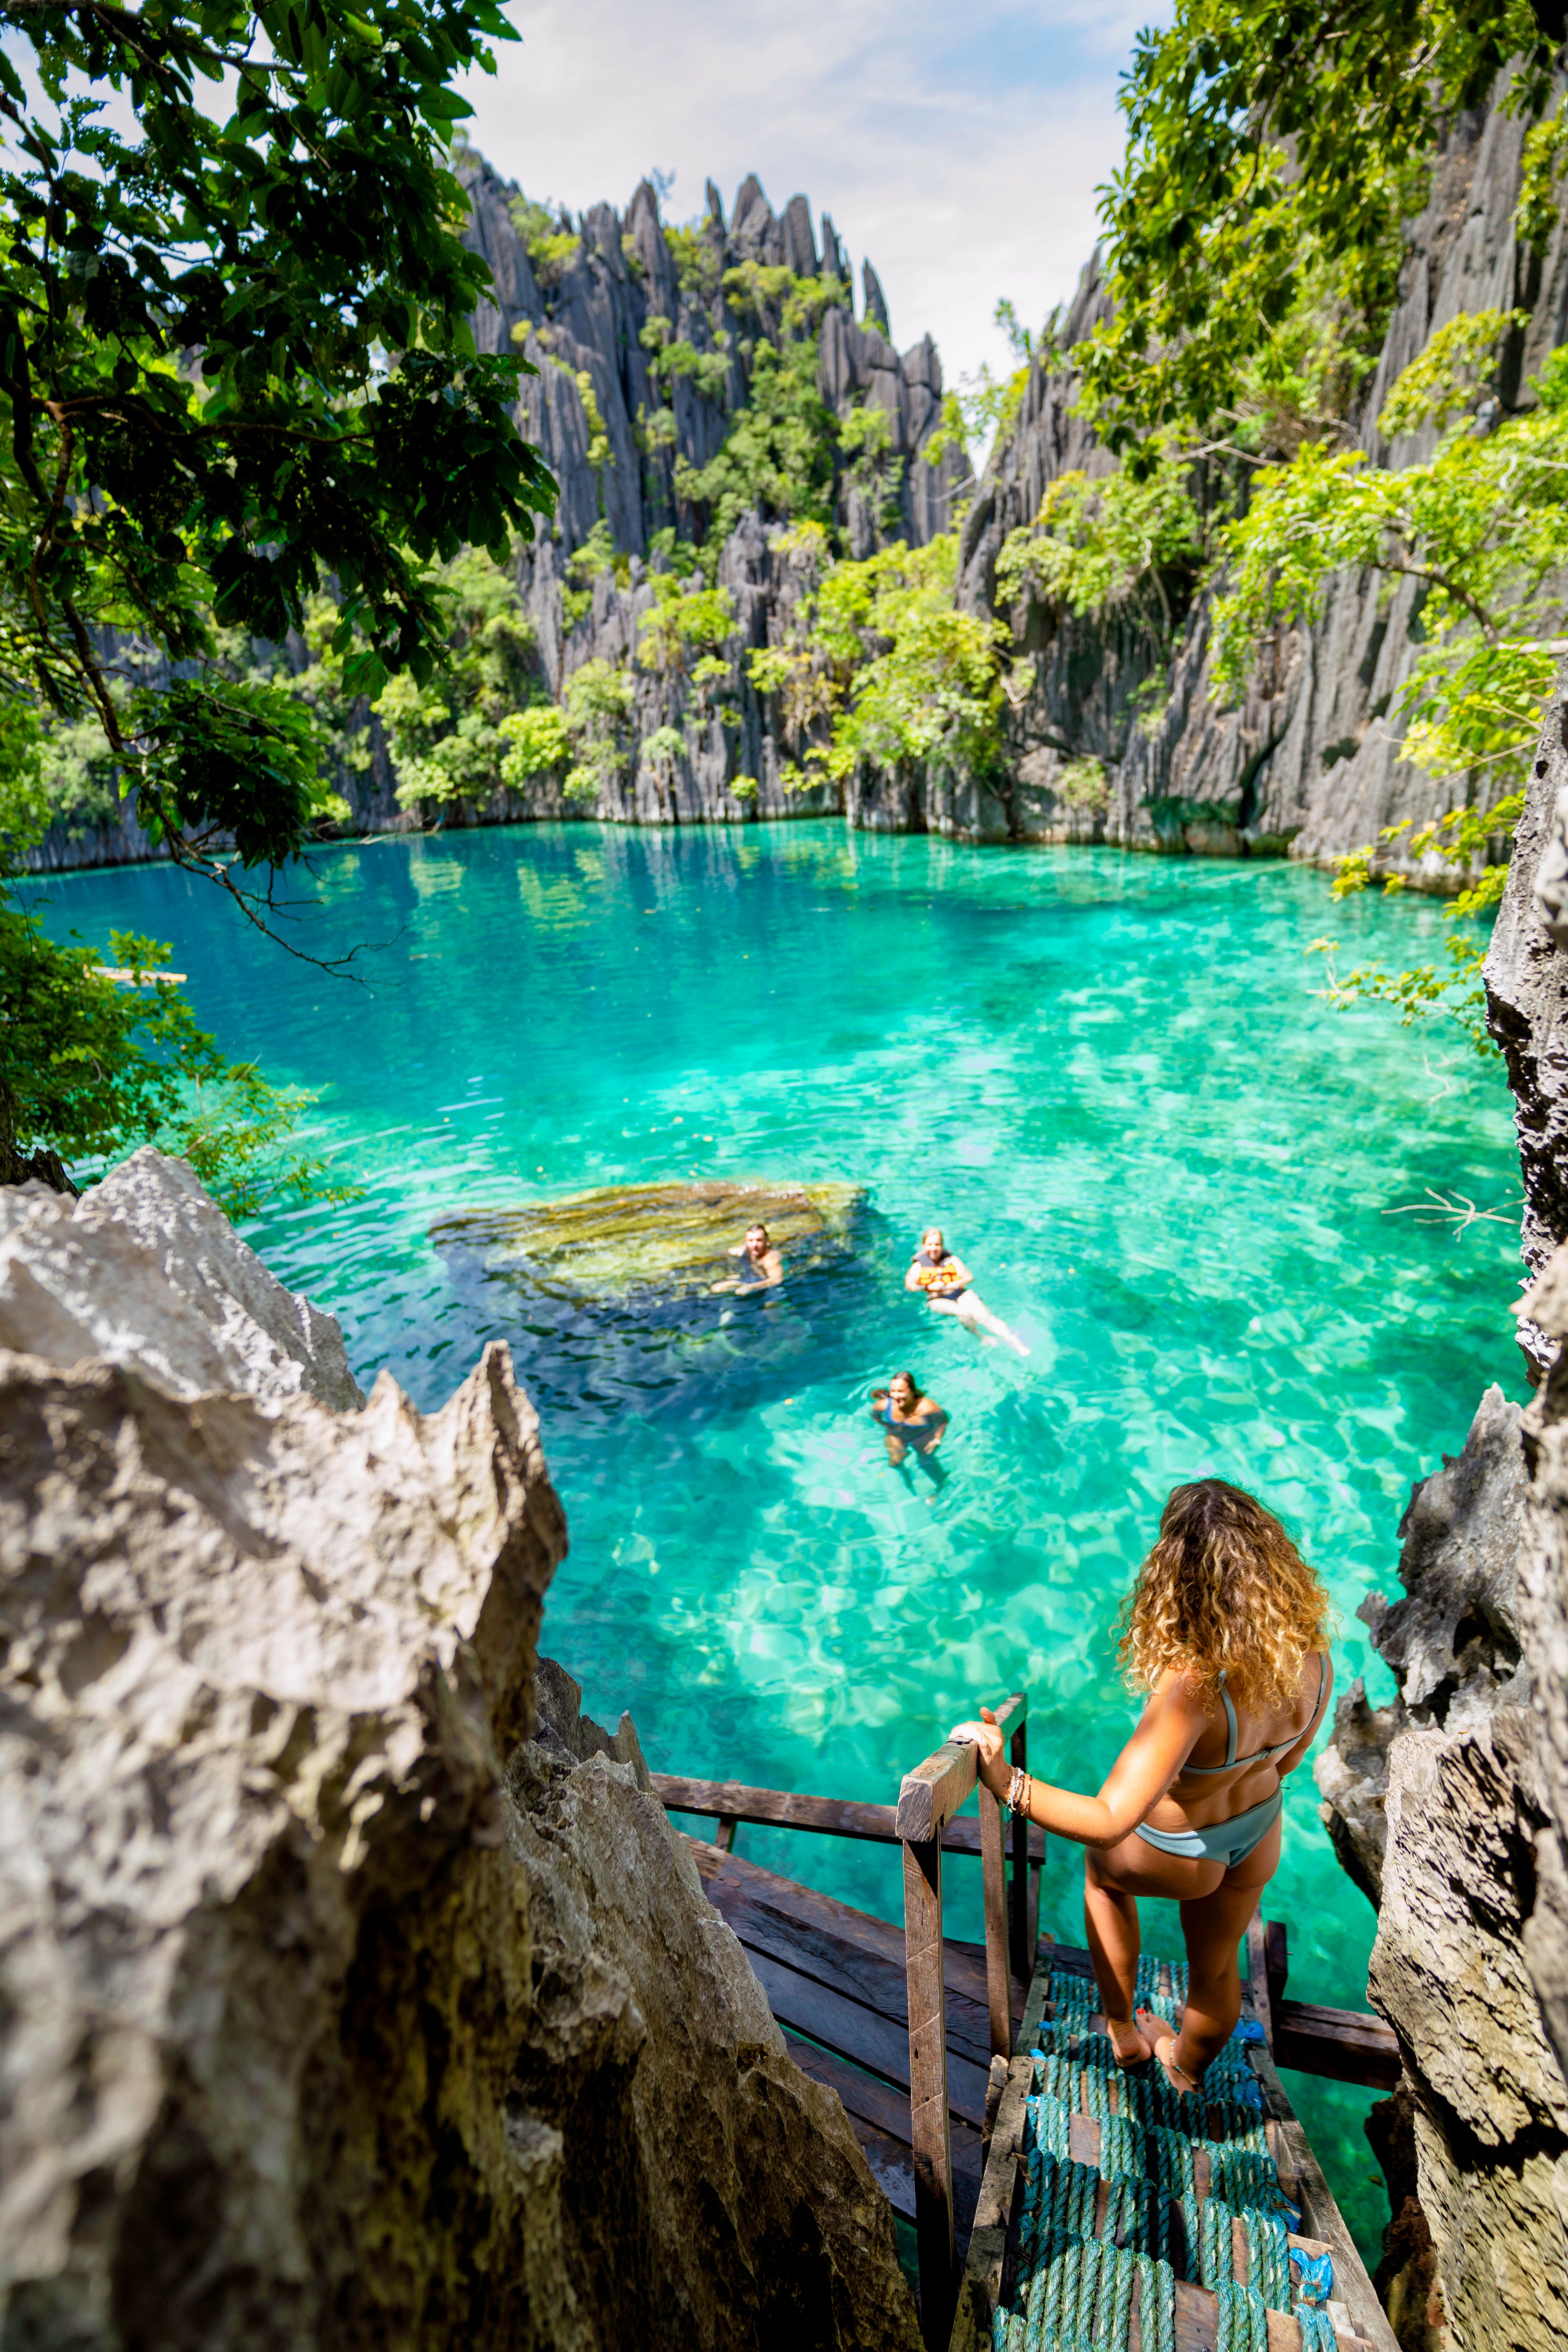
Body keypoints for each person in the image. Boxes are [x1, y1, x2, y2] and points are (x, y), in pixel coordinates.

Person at [947, 1479, 1333, 2095]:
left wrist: (1006, 1780)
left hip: (1182, 1850)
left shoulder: (1195, 1685)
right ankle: (1184, 2068)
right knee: (1215, 1970)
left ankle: (1125, 2033)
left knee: (1103, 1879)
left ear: (1177, 1577)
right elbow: (1289, 1762)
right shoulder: (1313, 1654)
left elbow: (1109, 1821)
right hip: (1258, 1830)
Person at [905, 1225, 1028, 1357]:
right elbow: (910, 1286)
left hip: (959, 1293)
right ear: (924, 1246)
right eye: (930, 1245)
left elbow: (969, 1277)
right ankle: (982, 1336)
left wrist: (954, 1284)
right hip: (937, 1298)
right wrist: (927, 1287)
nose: (934, 1249)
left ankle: (1012, 1340)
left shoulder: (952, 1261)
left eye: (937, 1245)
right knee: (963, 1313)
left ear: (942, 1246)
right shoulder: (918, 1266)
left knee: (983, 1315)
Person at [869, 1370, 949, 1490]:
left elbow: (943, 1421)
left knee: (925, 1461)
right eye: (893, 1391)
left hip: (921, 1433)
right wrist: (887, 1427)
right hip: (897, 1433)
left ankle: (942, 1485)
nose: (896, 1396)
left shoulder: (927, 1408)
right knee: (895, 1462)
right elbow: (875, 1416)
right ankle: (907, 1480)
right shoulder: (884, 1405)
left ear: (912, 1391)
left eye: (901, 1391)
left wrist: (937, 1439)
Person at [711, 1223, 784, 1295]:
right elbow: (727, 1253)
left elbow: (776, 1280)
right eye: (751, 1240)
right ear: (746, 1241)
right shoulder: (744, 1250)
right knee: (717, 1287)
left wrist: (750, 1287)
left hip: (765, 1286)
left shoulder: (770, 1258)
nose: (755, 1245)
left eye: (759, 1240)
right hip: (750, 1276)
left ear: (766, 1240)